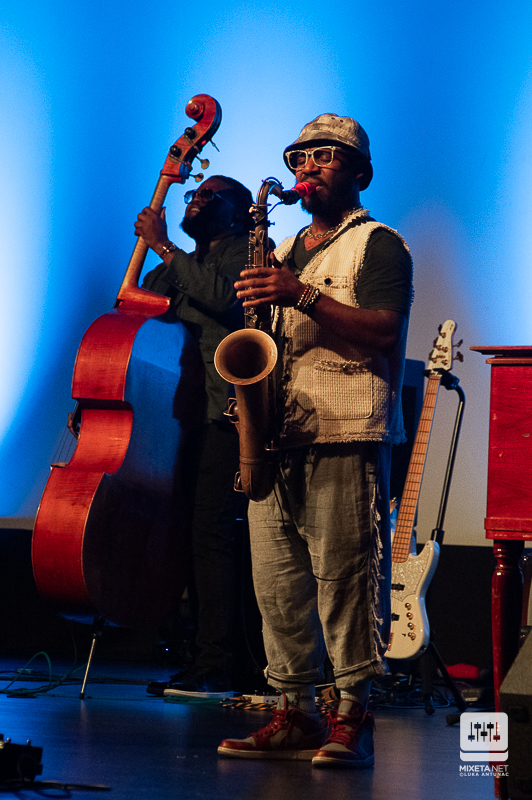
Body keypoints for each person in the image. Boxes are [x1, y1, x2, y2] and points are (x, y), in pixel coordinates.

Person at [217, 115, 413, 765]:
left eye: (326, 157)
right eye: (300, 158)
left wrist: (300, 294)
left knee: (345, 579)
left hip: (344, 427)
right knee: (277, 583)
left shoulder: (379, 244)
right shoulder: (279, 250)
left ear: (360, 173)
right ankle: (293, 712)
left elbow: (383, 332)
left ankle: (351, 715)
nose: (308, 167)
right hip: (276, 433)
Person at [135, 175, 254, 697]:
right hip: (179, 418)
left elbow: (226, 302)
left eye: (210, 196)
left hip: (225, 416)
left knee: (212, 535)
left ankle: (217, 664)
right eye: (194, 193)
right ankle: (193, 652)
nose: (197, 200)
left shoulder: (251, 250)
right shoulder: (176, 269)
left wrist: (162, 244)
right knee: (188, 534)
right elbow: (133, 317)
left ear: (238, 212)